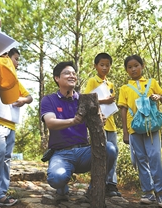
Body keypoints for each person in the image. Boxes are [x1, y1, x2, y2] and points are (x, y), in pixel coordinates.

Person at [40, 61, 117, 200]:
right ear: (57, 78)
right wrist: (73, 121)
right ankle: (62, 186)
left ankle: (93, 190)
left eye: (74, 74)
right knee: (56, 178)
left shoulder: (84, 99)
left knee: (110, 148)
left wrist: (100, 121)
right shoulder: (49, 100)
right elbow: (50, 123)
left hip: (84, 152)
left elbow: (95, 124)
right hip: (61, 153)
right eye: (67, 73)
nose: (72, 76)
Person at [0, 48, 33, 208]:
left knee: (5, 160)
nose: (17, 63)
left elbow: (30, 97)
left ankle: (1, 194)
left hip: (11, 125)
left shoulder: (15, 81)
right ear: (6, 57)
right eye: (16, 59)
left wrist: (22, 100)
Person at [118, 55, 162, 208]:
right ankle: (148, 192)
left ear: (142, 65)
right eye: (130, 67)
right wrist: (125, 133)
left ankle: (161, 193)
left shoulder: (152, 83)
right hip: (134, 128)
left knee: (154, 156)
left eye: (136, 65)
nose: (133, 69)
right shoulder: (125, 88)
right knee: (140, 159)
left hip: (151, 127)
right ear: (126, 70)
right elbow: (123, 110)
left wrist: (159, 97)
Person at [84, 52, 121, 197]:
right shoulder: (93, 81)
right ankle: (97, 185)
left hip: (111, 124)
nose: (105, 68)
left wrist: (109, 102)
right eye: (102, 65)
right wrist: (104, 101)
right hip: (99, 125)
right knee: (100, 155)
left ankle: (111, 184)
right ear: (95, 66)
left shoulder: (110, 84)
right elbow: (86, 100)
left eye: (107, 65)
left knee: (114, 153)